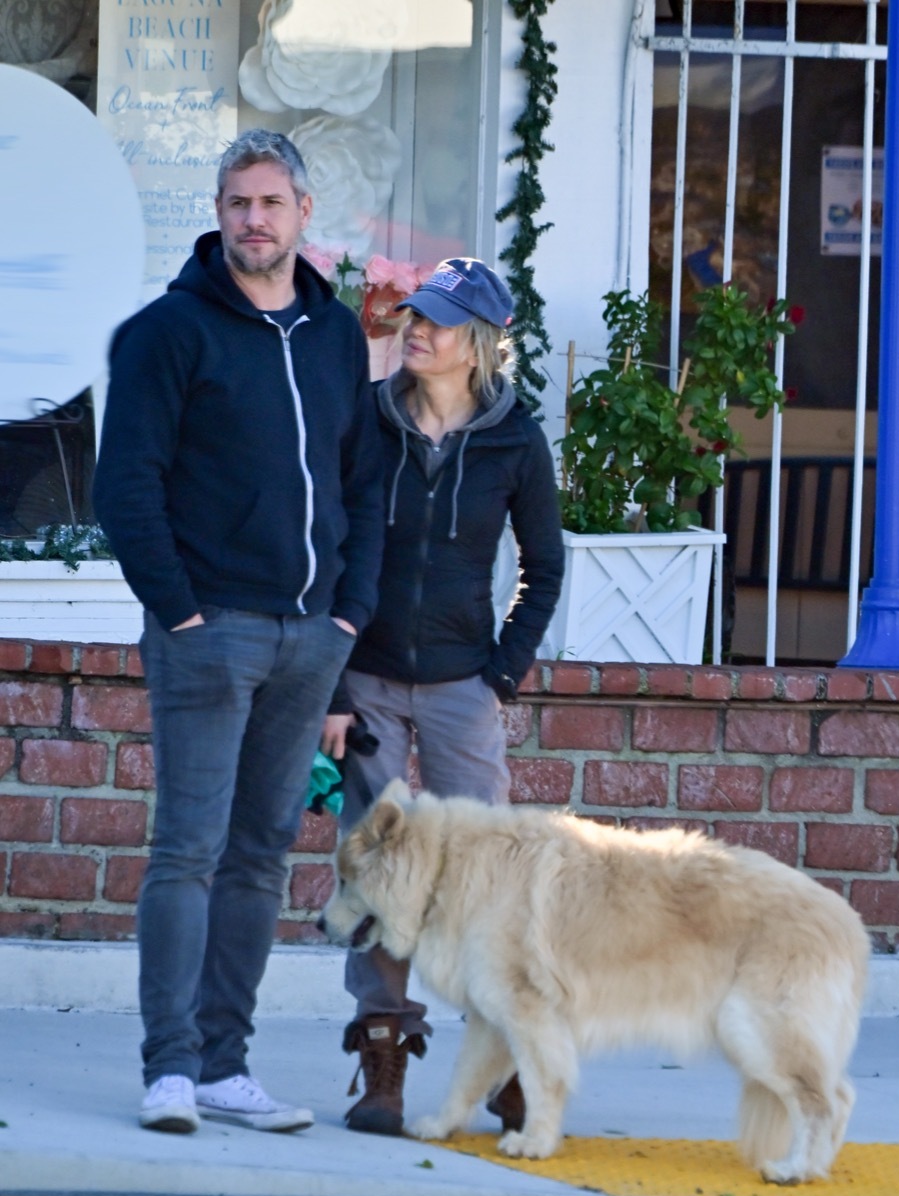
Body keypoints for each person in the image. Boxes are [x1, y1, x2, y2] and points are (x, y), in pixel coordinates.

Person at [93, 129, 384, 1136]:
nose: (253, 221)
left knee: (261, 854)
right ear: (219, 214)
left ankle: (226, 1065)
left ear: (304, 212)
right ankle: (169, 1069)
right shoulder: (168, 333)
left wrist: (349, 613)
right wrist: (179, 608)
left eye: (270, 203)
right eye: (237, 203)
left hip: (311, 636)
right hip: (207, 633)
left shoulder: (338, 334)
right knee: (188, 849)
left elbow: (365, 485)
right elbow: (125, 486)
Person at [320, 258, 564, 1137]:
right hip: (371, 680)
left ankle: (500, 1064)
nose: (414, 328)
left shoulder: (515, 440)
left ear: (479, 344)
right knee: (378, 865)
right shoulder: (367, 422)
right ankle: (382, 1053)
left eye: (437, 321)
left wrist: (500, 673)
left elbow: (545, 568)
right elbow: (332, 546)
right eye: (412, 314)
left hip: (464, 682)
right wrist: (337, 684)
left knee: (485, 881)